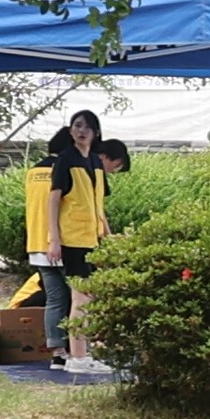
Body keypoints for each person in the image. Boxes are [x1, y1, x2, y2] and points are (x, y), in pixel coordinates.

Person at [28, 105, 124, 364]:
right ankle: (77, 356)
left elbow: (97, 205)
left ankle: (74, 353)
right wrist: (55, 239)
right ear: (70, 131)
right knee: (79, 297)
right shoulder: (65, 162)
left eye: (87, 127)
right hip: (68, 239)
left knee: (77, 297)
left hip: (80, 239)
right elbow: (54, 201)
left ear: (96, 133)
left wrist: (106, 235)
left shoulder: (92, 162)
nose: (81, 131)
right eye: (77, 125)